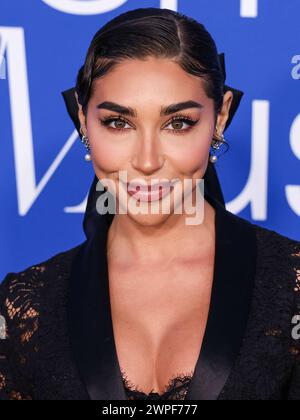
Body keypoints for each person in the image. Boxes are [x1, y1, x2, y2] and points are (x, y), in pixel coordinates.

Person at [0, 8, 299, 401]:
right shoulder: (27, 303)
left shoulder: (292, 284)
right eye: (118, 123)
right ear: (83, 120)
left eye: (178, 123)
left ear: (220, 116)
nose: (146, 160)